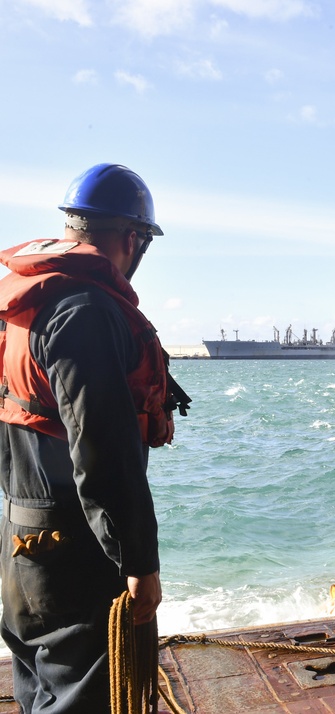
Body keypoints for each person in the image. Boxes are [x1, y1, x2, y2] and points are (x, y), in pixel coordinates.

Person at [0, 163, 190, 711]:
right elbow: (102, 453)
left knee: (40, 690)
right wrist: (138, 564)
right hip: (73, 554)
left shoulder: (24, 303)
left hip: (20, 543)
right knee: (87, 696)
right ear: (133, 240)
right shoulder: (86, 310)